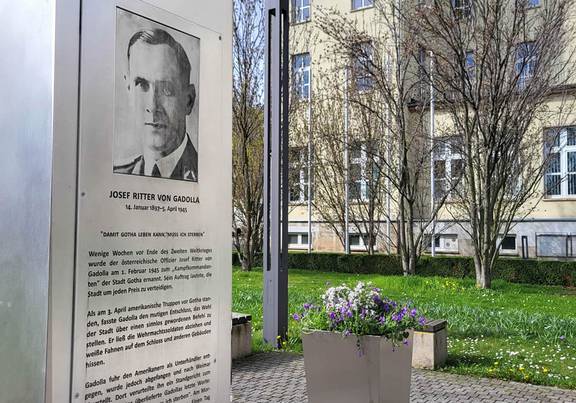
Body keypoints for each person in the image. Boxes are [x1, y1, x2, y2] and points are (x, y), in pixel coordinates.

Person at [114, 29, 198, 181]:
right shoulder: (119, 173)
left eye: (166, 89)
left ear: (188, 100)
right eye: (141, 85)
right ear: (129, 90)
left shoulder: (207, 174)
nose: (152, 106)